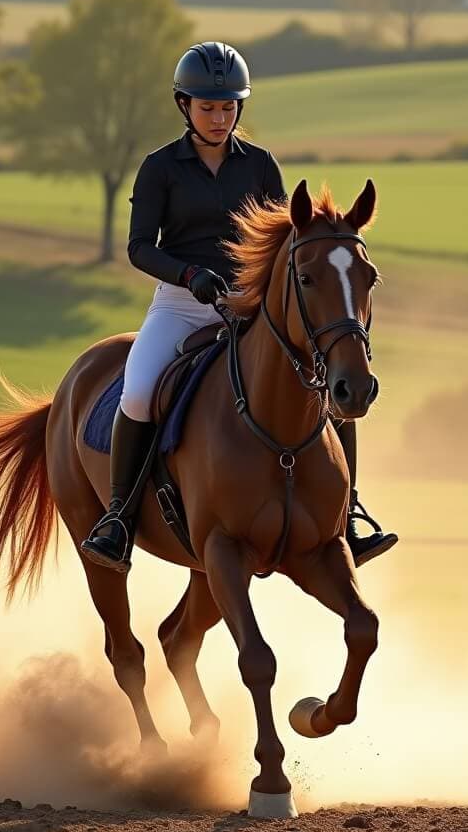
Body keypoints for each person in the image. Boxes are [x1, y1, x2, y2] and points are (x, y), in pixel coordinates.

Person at [80, 41, 396, 573]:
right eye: (208, 107)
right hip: (181, 304)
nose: (219, 117)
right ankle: (117, 516)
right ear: (184, 106)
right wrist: (188, 275)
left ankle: (348, 512)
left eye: (228, 107)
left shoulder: (260, 166)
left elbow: (284, 242)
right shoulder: (160, 168)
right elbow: (139, 247)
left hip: (251, 305)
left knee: (327, 385)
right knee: (137, 389)